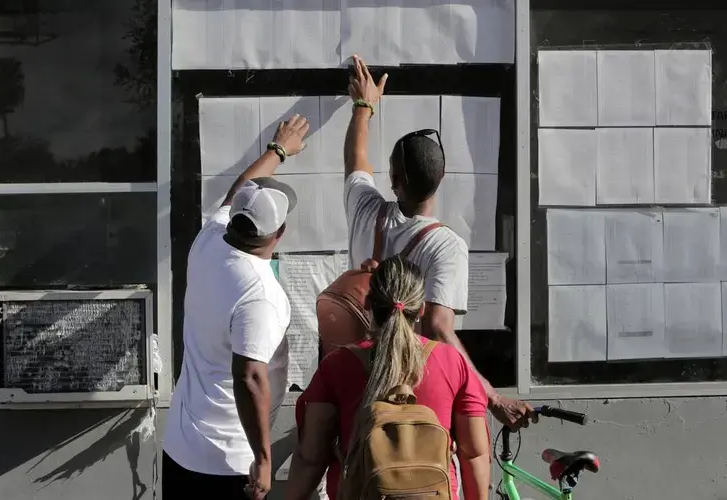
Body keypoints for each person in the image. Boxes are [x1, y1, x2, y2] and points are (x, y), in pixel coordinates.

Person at [342, 54, 536, 430]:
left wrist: (363, 106)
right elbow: (439, 329)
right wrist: (491, 397)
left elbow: (355, 160)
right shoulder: (446, 246)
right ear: (442, 178)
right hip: (413, 387)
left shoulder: (365, 211)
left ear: (394, 180)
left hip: (359, 372)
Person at [162, 114, 310, 500]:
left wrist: (278, 150)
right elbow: (249, 376)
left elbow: (238, 191)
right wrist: (263, 458)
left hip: (180, 447)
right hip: (226, 465)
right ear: (278, 234)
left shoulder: (209, 239)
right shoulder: (260, 293)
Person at [286, 256, 492, 500]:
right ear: (422, 309)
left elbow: (311, 458)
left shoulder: (338, 365)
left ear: (368, 304)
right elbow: (474, 454)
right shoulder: (452, 362)